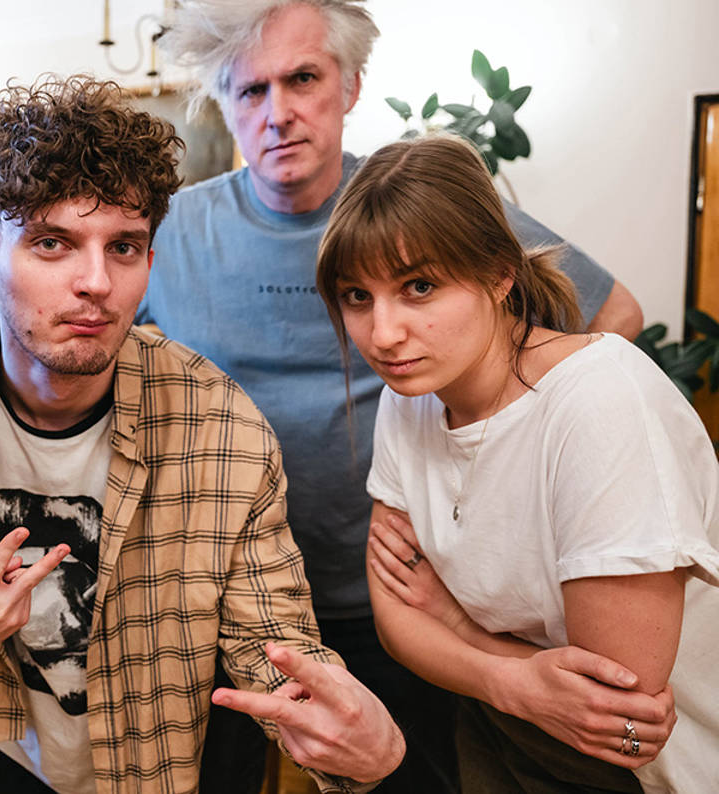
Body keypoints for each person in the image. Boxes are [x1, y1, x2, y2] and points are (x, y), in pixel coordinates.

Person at [139, 1, 647, 789]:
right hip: (221, 605)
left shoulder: (413, 207)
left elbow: (614, 318)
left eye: (303, 78)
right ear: (226, 105)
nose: (279, 113)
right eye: (250, 91)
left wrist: (504, 487)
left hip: (400, 599)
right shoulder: (169, 234)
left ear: (349, 85)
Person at [0, 74, 404, 794]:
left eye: (125, 248)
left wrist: (345, 733)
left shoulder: (219, 423)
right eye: (53, 244)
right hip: (0, 740)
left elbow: (273, 637)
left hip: (167, 758)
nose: (96, 283)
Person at [315, 132, 718, 793]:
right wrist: (515, 679)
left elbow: (613, 702)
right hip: (503, 739)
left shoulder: (599, 401)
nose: (382, 335)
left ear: (500, 274)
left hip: (647, 774)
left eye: (419, 287)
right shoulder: (410, 399)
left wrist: (453, 626)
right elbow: (395, 617)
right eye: (357, 295)